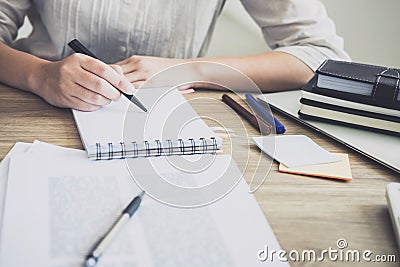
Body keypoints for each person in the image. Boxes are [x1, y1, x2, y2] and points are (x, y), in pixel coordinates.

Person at [0, 0, 350, 111]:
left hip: (167, 122)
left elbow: (322, 56)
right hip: (30, 108)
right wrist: (41, 75)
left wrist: (189, 69)